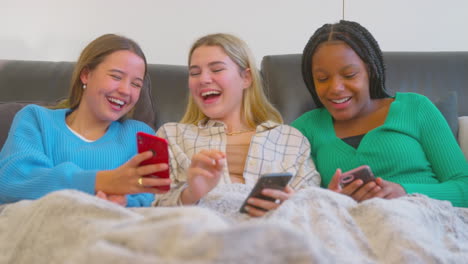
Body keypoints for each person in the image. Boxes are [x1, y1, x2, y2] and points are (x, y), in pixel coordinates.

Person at [292, 20, 468, 207]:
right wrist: (330, 198)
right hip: (350, 228)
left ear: (370, 71)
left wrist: (404, 192)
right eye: (323, 79)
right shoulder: (303, 129)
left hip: (426, 220)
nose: (335, 88)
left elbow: (464, 187)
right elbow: (293, 203)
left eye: (350, 75)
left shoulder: (416, 108)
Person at [153, 33, 320, 216]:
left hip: (272, 230)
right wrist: (190, 194)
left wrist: (289, 205)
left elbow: (313, 205)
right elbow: (153, 207)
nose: (203, 79)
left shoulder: (289, 139)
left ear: (246, 78)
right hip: (202, 232)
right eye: (194, 73)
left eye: (216, 70)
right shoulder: (171, 135)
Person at [0, 34, 171, 207]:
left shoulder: (141, 134)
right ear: (86, 75)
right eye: (116, 77)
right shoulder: (36, 120)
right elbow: (12, 181)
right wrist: (102, 181)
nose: (126, 90)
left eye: (136, 84)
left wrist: (124, 201)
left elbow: (155, 198)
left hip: (116, 227)